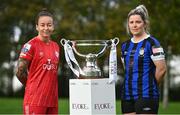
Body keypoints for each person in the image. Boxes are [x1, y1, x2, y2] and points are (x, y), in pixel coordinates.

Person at [121, 5, 167, 114]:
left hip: (147, 95)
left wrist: (151, 85)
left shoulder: (152, 43)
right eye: (131, 22)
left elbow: (162, 69)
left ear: (145, 24)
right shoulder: (125, 46)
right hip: (127, 95)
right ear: (128, 24)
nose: (134, 25)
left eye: (138, 22)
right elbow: (127, 69)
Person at [15, 8, 60, 114]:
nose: (46, 28)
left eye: (49, 25)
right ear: (37, 27)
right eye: (42, 25)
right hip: (35, 100)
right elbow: (20, 71)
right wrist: (31, 87)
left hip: (52, 101)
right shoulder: (30, 45)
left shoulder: (56, 46)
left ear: (53, 27)